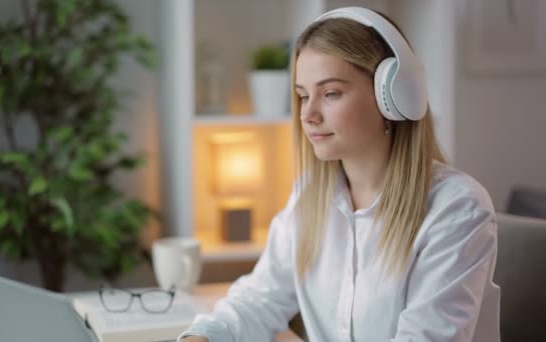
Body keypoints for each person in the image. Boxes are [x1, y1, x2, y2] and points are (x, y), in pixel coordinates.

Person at [179, 7, 500, 342]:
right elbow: (258, 299)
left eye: (330, 93)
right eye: (303, 96)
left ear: (392, 95)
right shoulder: (311, 196)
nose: (308, 115)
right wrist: (201, 337)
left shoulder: (456, 209)